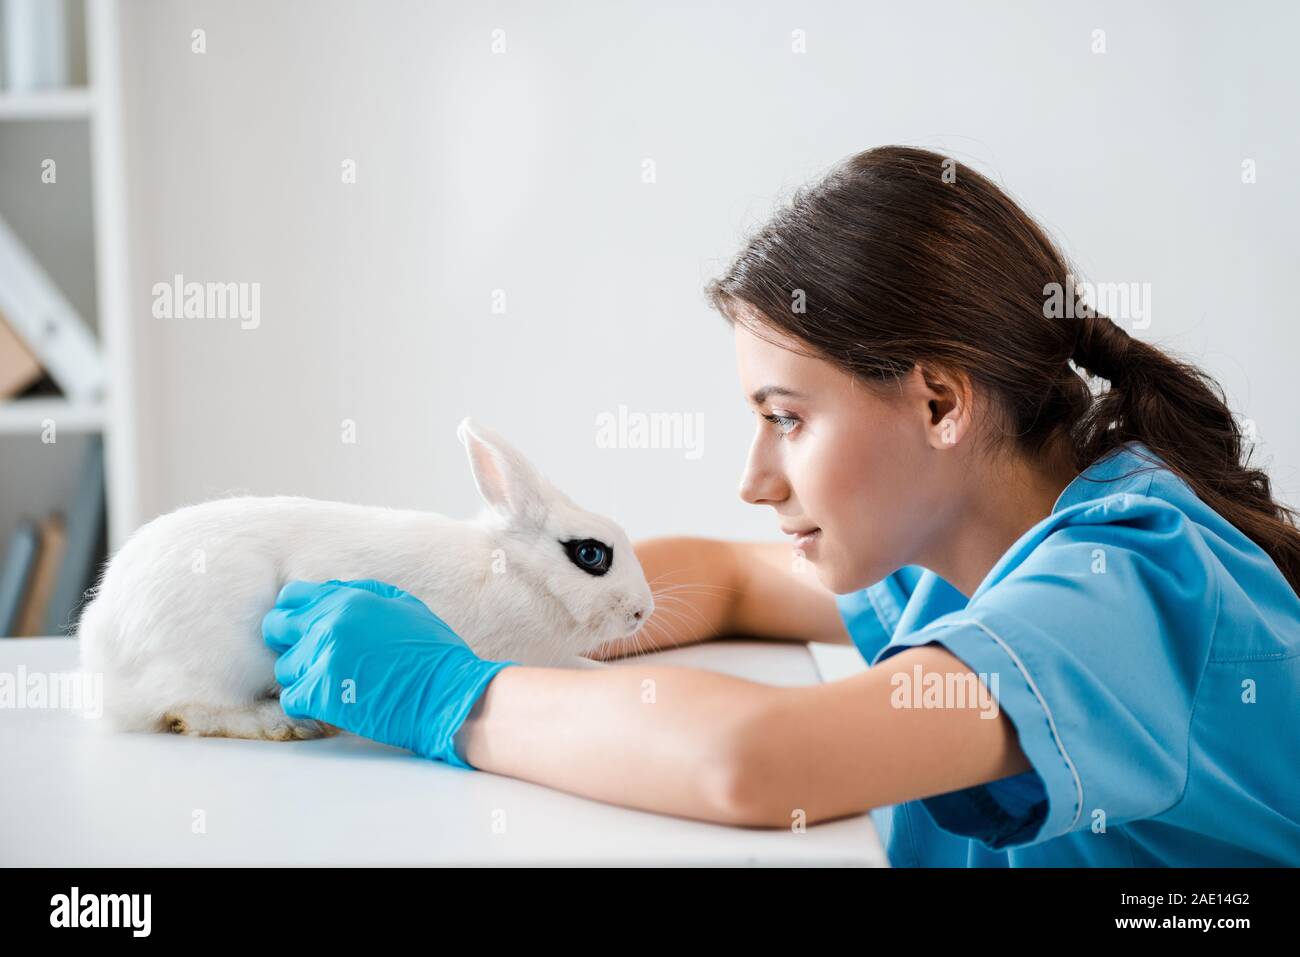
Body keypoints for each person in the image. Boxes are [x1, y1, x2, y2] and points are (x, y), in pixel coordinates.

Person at [262, 145, 1300, 866]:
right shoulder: (962, 548)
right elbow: (721, 579)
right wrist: (508, 605)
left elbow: (760, 764)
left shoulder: (1117, 584)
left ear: (937, 402)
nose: (754, 480)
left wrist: (448, 691)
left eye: (787, 418)